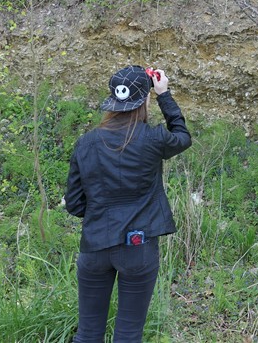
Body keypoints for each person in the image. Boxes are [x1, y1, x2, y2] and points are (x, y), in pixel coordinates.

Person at [65, 65, 192, 343]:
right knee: (128, 335)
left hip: (95, 246)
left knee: (87, 335)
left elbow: (74, 203)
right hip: (138, 247)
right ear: (145, 98)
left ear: (113, 99)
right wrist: (164, 95)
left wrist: (101, 216)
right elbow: (182, 137)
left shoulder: (86, 143)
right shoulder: (153, 138)